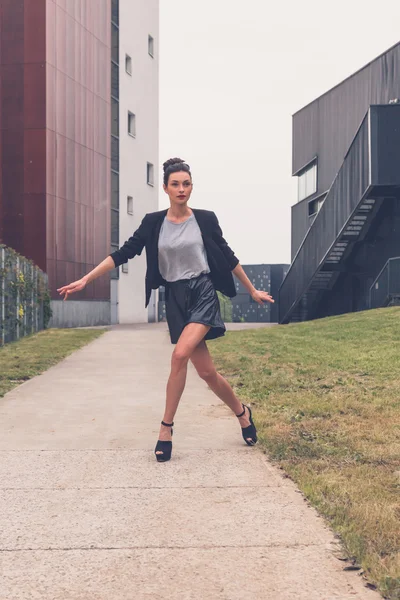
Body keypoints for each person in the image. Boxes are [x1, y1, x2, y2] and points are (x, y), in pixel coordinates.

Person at [57, 158, 274, 462]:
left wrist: (251, 290)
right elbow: (124, 253)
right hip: (175, 298)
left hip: (202, 292)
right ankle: (242, 412)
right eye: (175, 184)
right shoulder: (153, 222)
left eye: (186, 183)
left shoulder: (205, 220)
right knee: (208, 373)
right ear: (165, 188)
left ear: (191, 187)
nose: (181, 189)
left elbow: (228, 255)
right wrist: (85, 279)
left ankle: (165, 428)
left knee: (179, 355)